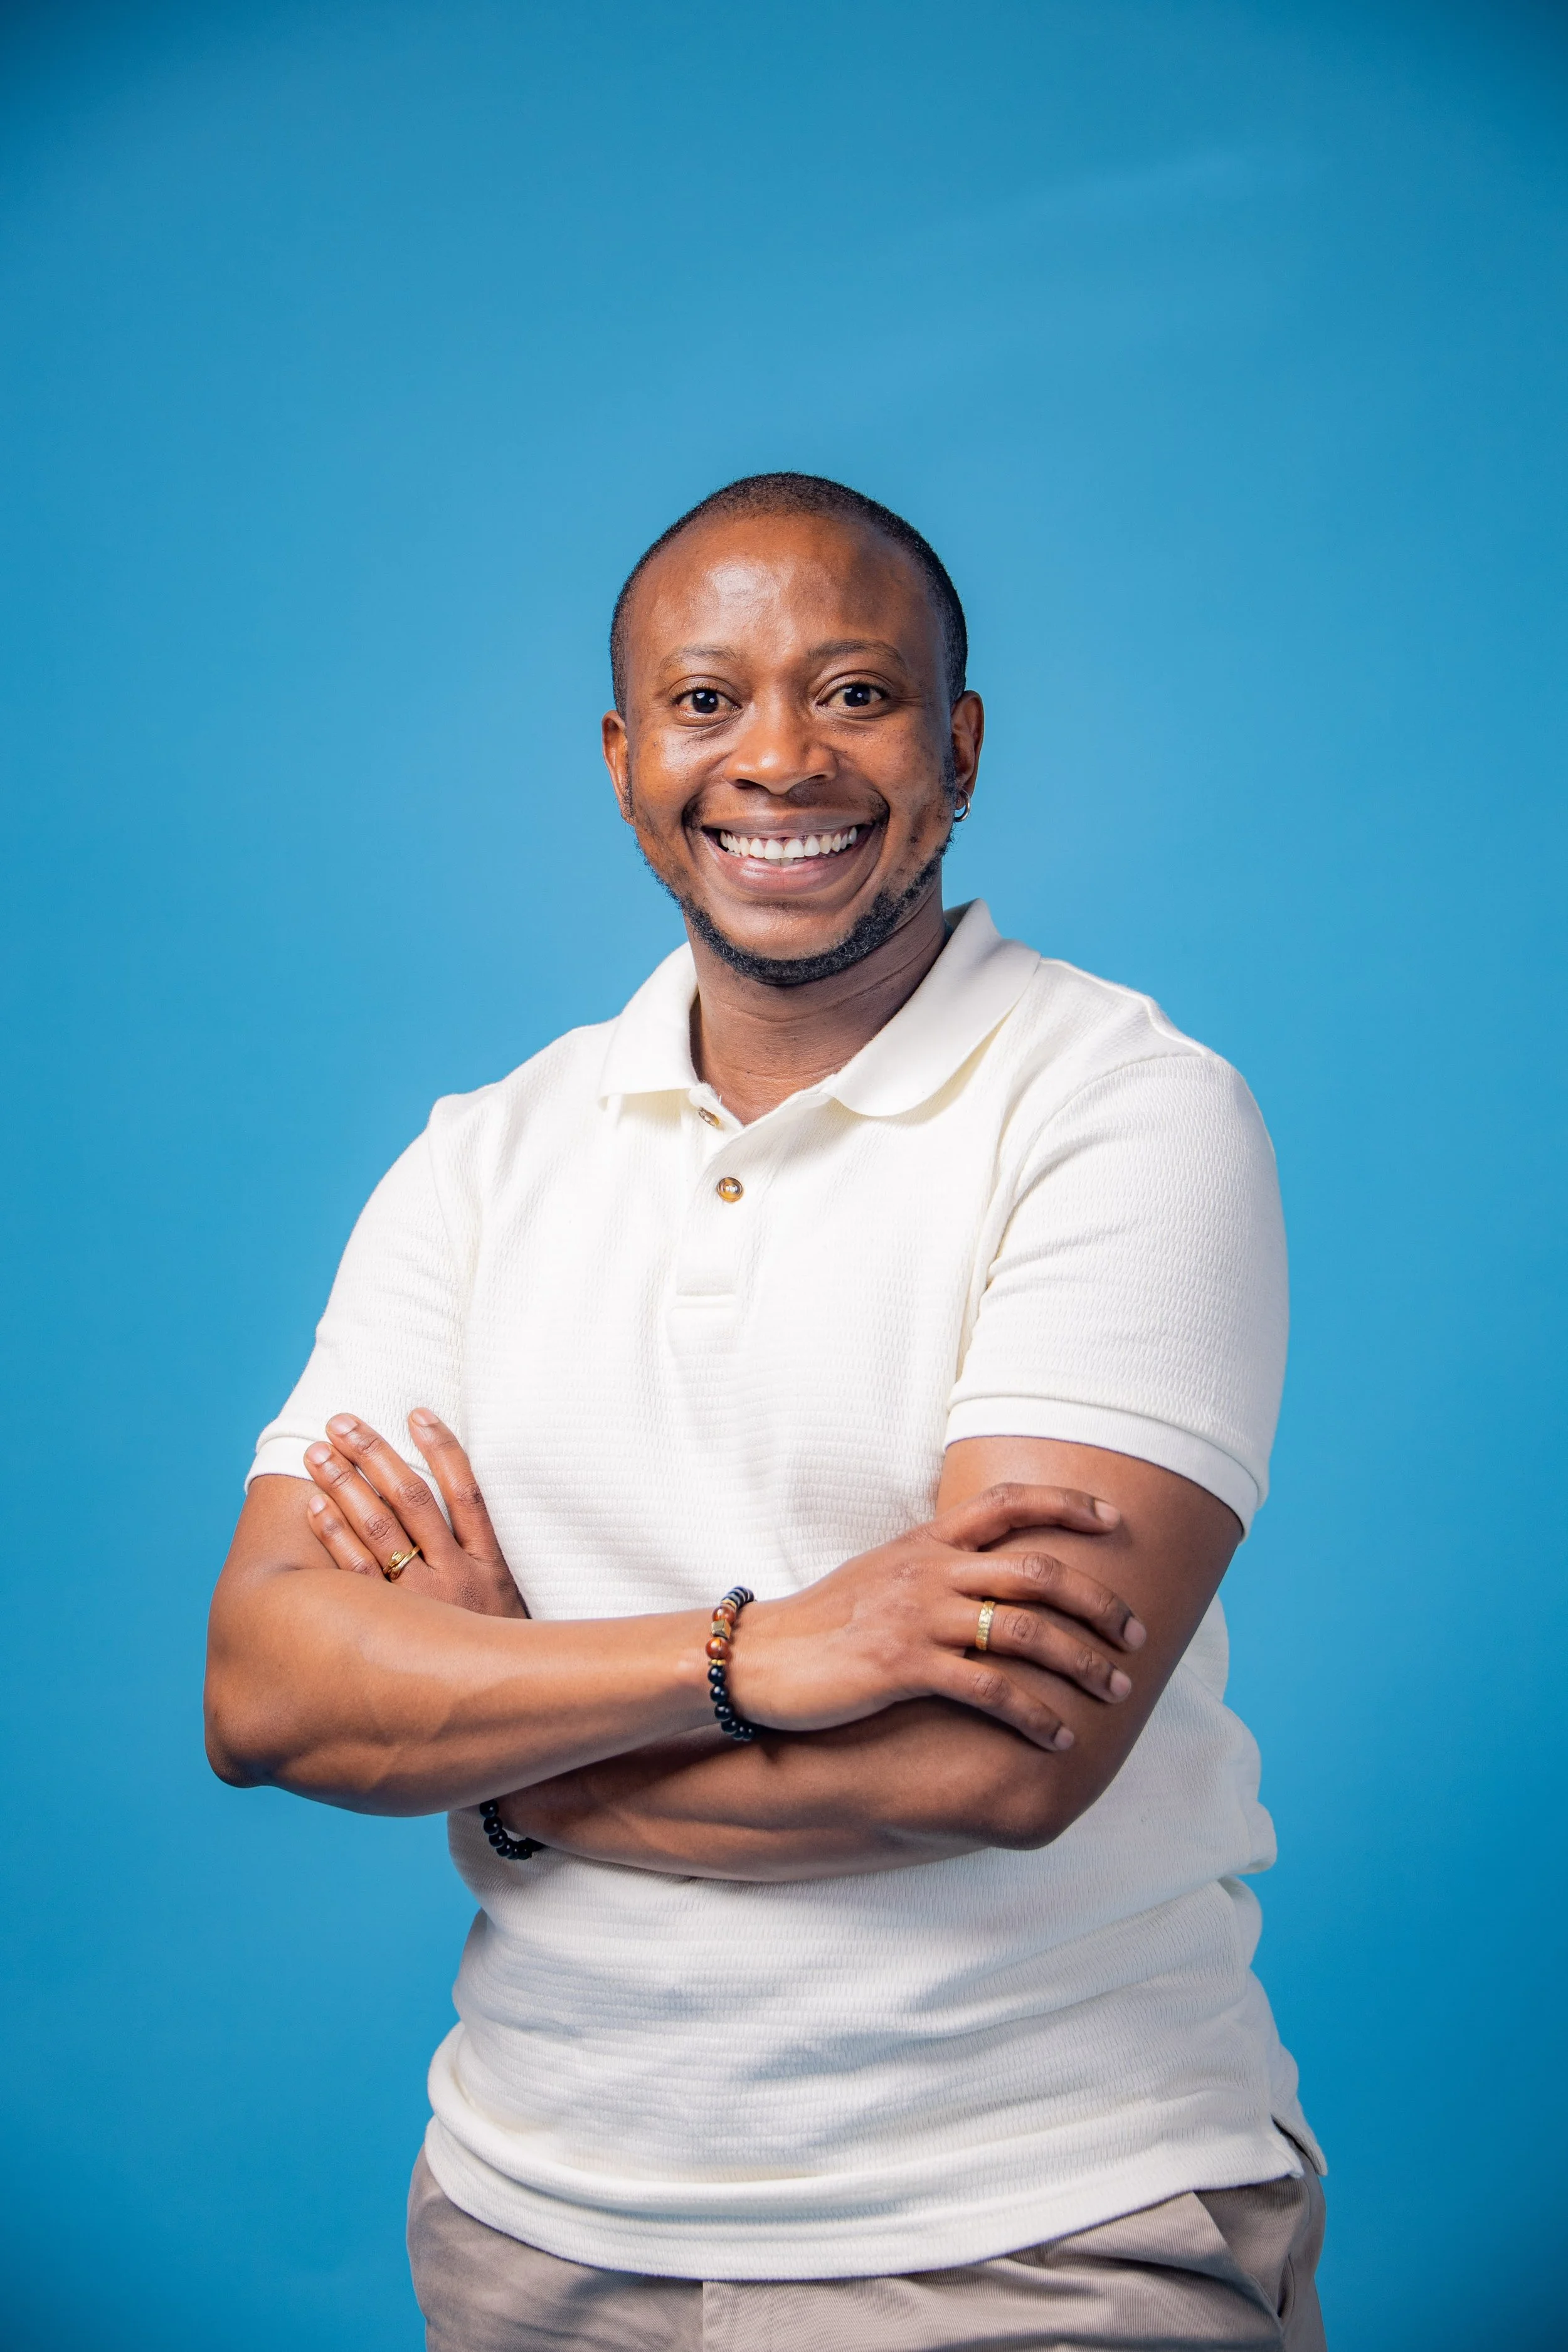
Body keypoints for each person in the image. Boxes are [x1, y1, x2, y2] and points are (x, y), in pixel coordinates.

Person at [206, 472, 1325, 2350]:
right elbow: (267, 1684)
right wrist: (767, 1651)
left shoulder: (1121, 1115)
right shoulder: (482, 1159)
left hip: (1034, 2227)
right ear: (626, 755)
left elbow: (1000, 1765)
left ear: (957, 749)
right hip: (521, 2226)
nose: (779, 760)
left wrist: (505, 1747)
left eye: (858, 692)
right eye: (708, 700)